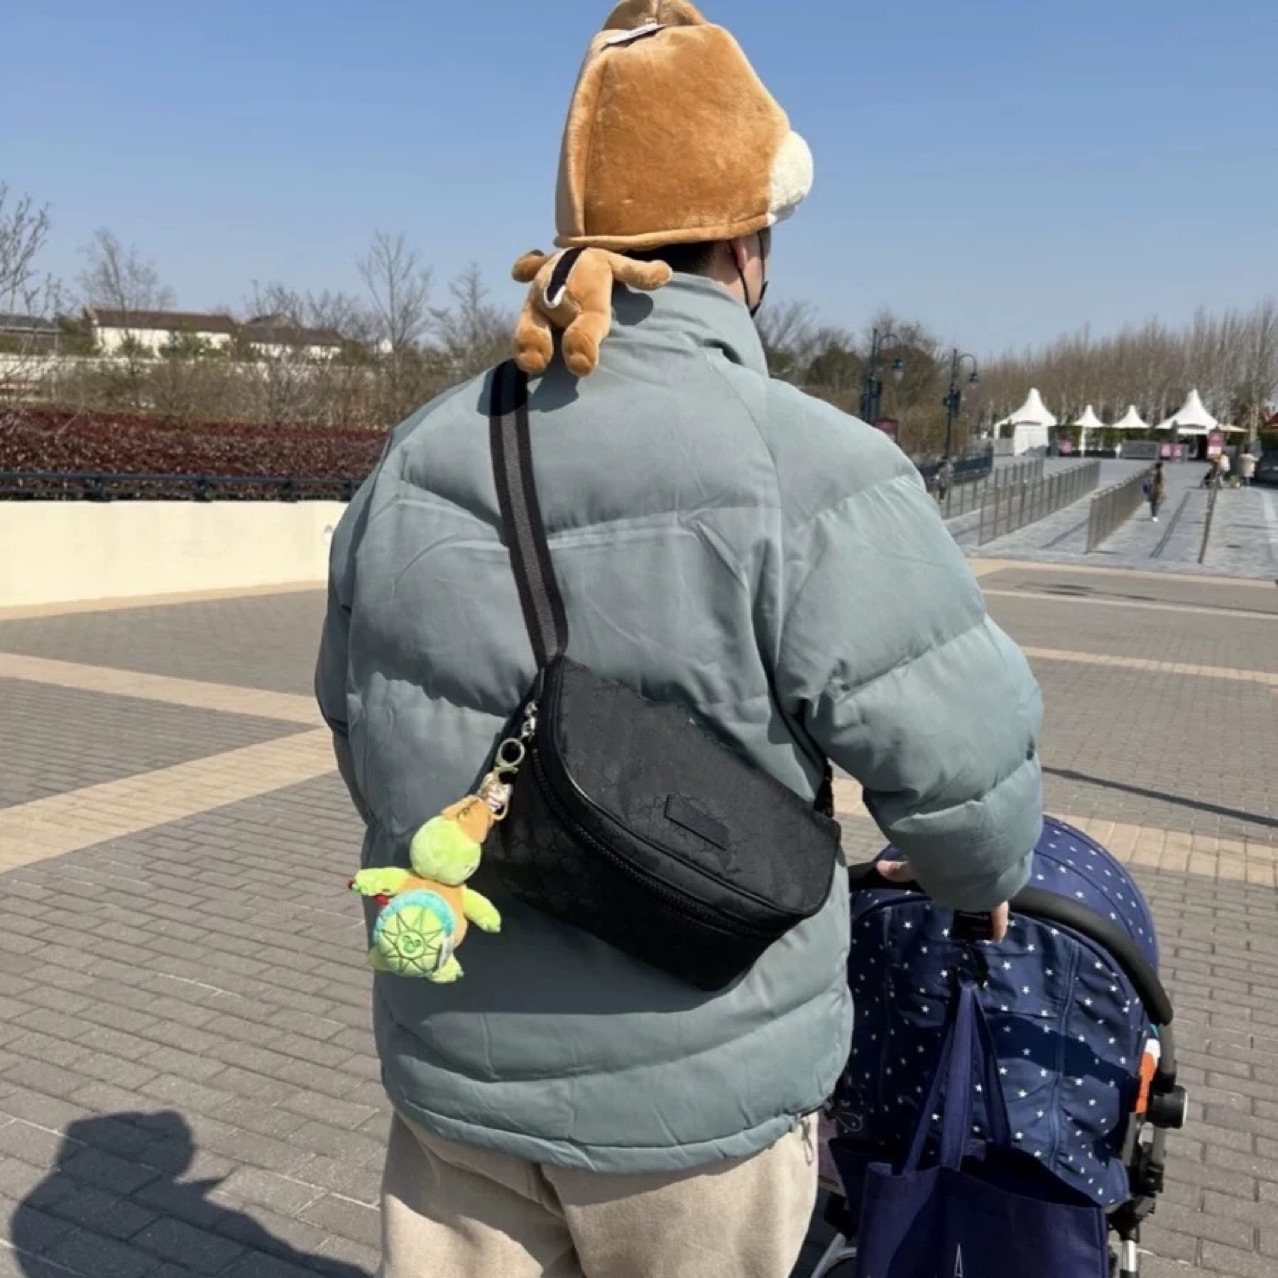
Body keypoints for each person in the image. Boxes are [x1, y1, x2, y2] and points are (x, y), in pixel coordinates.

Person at [315, 4, 1043, 1275]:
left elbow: (357, 716)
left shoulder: (418, 456)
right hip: (698, 1098)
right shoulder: (812, 465)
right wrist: (977, 882)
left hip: (455, 1072)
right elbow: (964, 773)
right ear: (747, 241)